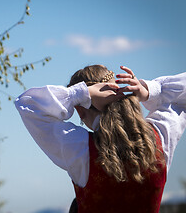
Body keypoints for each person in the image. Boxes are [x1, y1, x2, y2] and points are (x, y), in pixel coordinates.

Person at [14, 65, 186, 213]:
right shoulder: (161, 135)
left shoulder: (79, 149)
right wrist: (150, 90)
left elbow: (28, 104)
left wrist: (81, 92)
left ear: (80, 111)